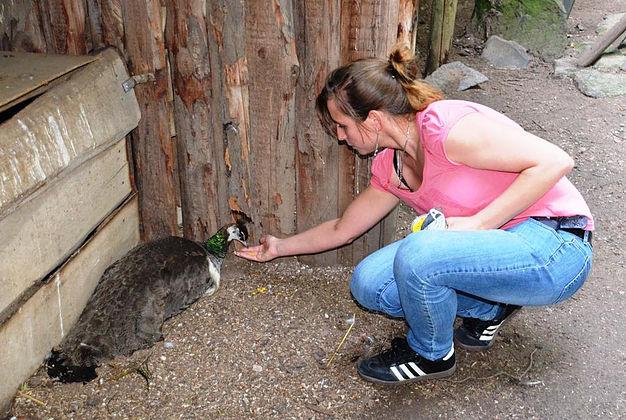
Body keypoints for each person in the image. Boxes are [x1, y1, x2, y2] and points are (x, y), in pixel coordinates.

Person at [235, 44, 593, 385]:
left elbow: (555, 161)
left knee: (418, 253)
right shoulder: (390, 166)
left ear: (373, 119)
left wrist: (479, 223)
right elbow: (343, 228)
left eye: (343, 126)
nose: (342, 138)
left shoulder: (445, 127)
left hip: (556, 243)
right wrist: (279, 247)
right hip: (499, 252)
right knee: (371, 285)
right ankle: (490, 308)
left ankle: (431, 355)